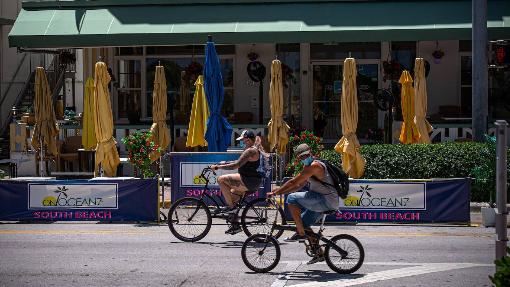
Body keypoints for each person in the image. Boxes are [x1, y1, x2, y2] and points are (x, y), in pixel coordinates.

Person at [267, 143, 339, 264]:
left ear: (310, 152)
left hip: (325, 200)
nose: (304, 158)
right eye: (301, 157)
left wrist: (277, 192)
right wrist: (278, 192)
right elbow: (298, 186)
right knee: (304, 223)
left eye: (305, 155)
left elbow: (293, 182)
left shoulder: (314, 166)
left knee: (291, 199)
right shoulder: (310, 167)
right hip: (323, 200)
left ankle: (300, 232)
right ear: (298, 158)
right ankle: (318, 253)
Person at [210, 129, 265, 234]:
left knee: (221, 179)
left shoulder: (251, 151)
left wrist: (218, 167)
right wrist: (224, 163)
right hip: (250, 180)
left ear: (248, 140)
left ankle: (231, 208)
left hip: (249, 181)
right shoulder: (252, 149)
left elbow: (236, 165)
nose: (242, 143)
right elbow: (238, 162)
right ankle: (235, 225)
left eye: (243, 141)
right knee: (232, 198)